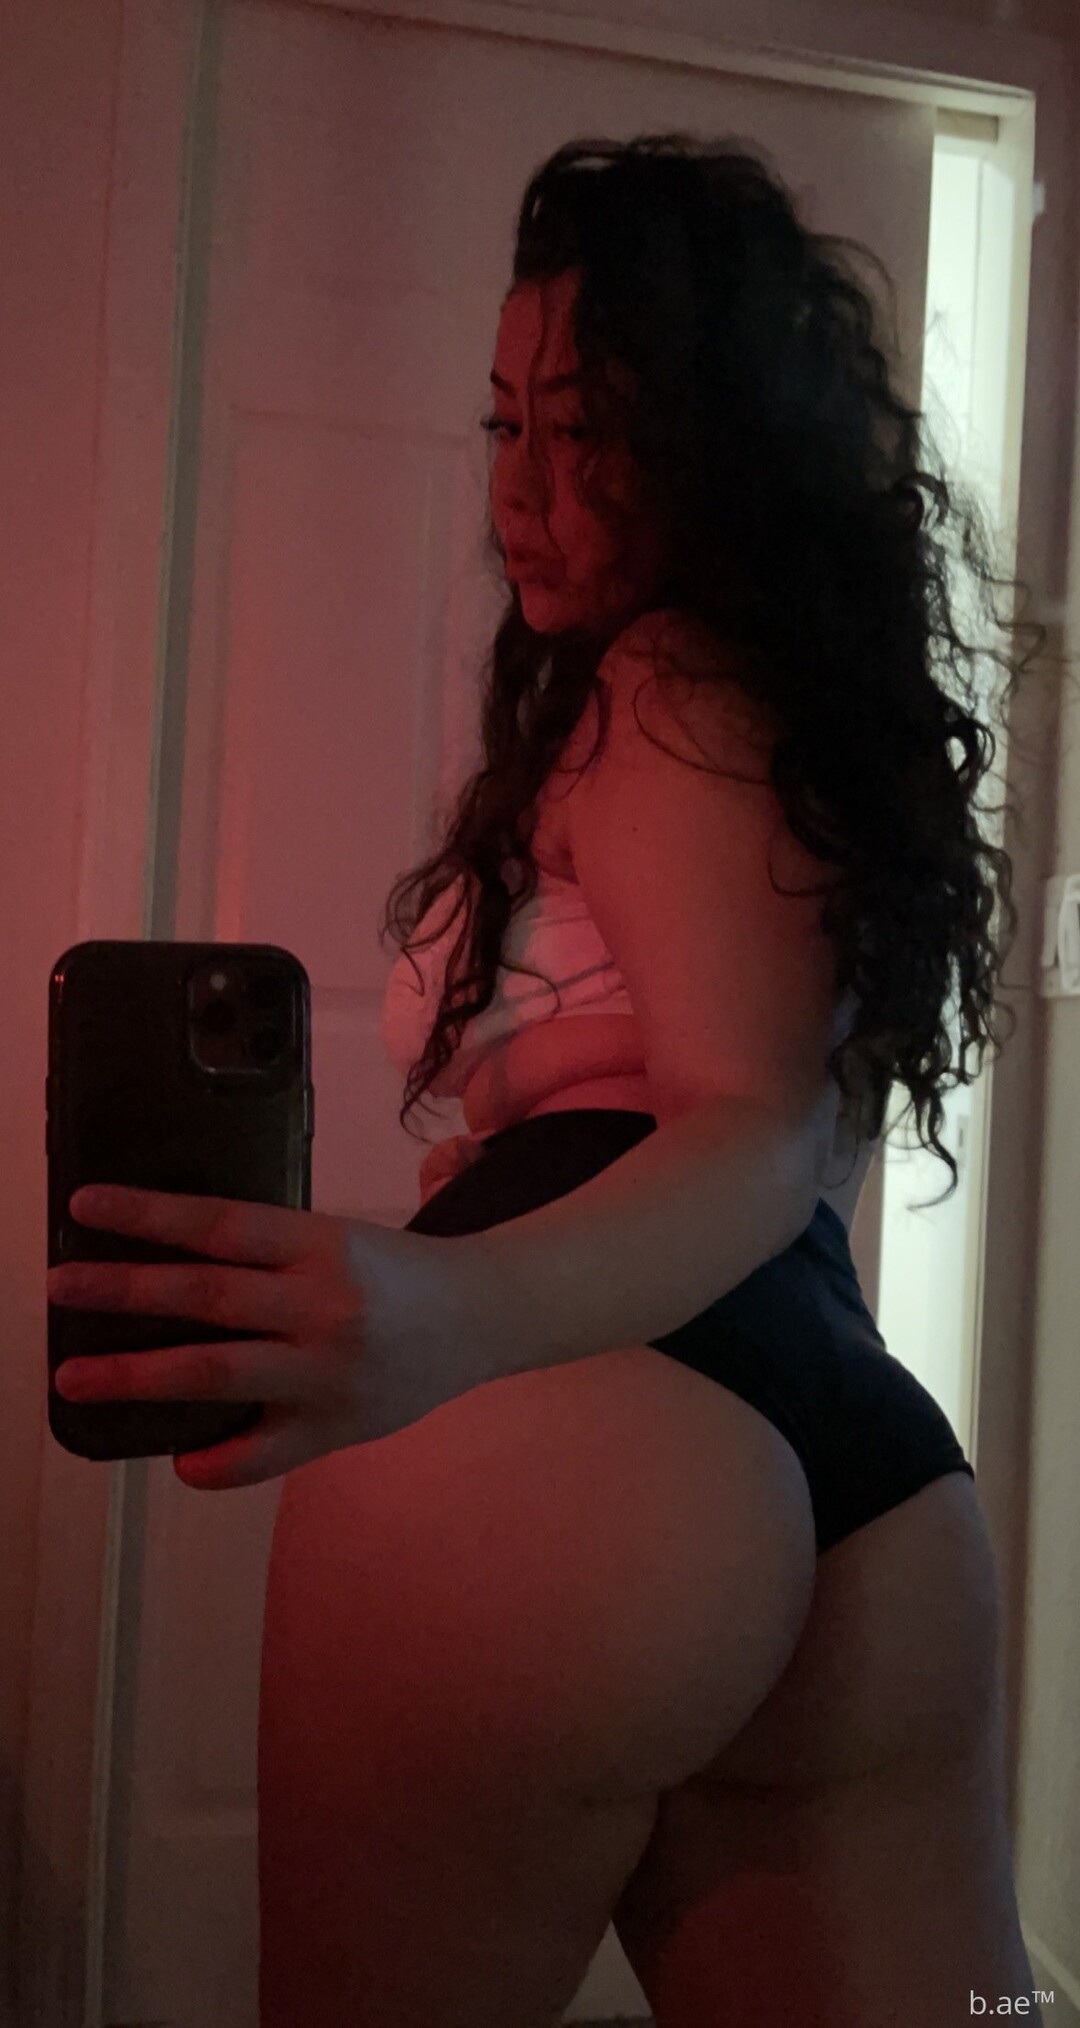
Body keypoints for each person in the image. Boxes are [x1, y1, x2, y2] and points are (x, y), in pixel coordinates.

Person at [261, 138, 1043, 2026]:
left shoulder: (672, 687)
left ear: (712, 441)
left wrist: (443, 1305)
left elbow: (747, 1121)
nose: (522, 490)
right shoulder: (770, 718)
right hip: (858, 1479)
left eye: (588, 432)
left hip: (585, 1425)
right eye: (506, 423)